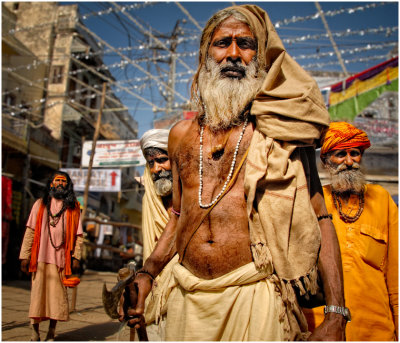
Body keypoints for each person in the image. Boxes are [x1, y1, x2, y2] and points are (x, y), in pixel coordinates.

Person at [124, 5, 347, 340]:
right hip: (187, 297)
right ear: (205, 55)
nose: (233, 54)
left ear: (260, 57)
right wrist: (148, 271)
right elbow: (179, 215)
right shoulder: (181, 136)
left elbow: (320, 218)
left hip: (254, 294)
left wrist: (336, 313)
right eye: (222, 43)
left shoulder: (281, 132)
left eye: (245, 44)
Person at [303, 122, 398, 340]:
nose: (348, 162)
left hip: (376, 331)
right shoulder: (314, 201)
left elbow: (396, 275)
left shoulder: (382, 199)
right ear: (325, 161)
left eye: (354, 153)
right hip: (320, 328)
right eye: (340, 154)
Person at [19, 171, 83, 341]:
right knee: (37, 297)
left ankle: (51, 332)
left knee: (57, 299)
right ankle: (35, 332)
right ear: (51, 184)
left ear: (68, 186)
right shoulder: (40, 204)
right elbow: (30, 231)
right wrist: (24, 256)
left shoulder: (73, 208)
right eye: (57, 181)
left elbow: (78, 236)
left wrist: (76, 257)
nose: (60, 184)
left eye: (64, 182)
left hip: (61, 261)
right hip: (40, 259)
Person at [131, 129, 179, 339]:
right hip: (155, 281)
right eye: (151, 163)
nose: (156, 169)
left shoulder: (191, 195)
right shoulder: (150, 200)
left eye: (162, 160)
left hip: (181, 282)